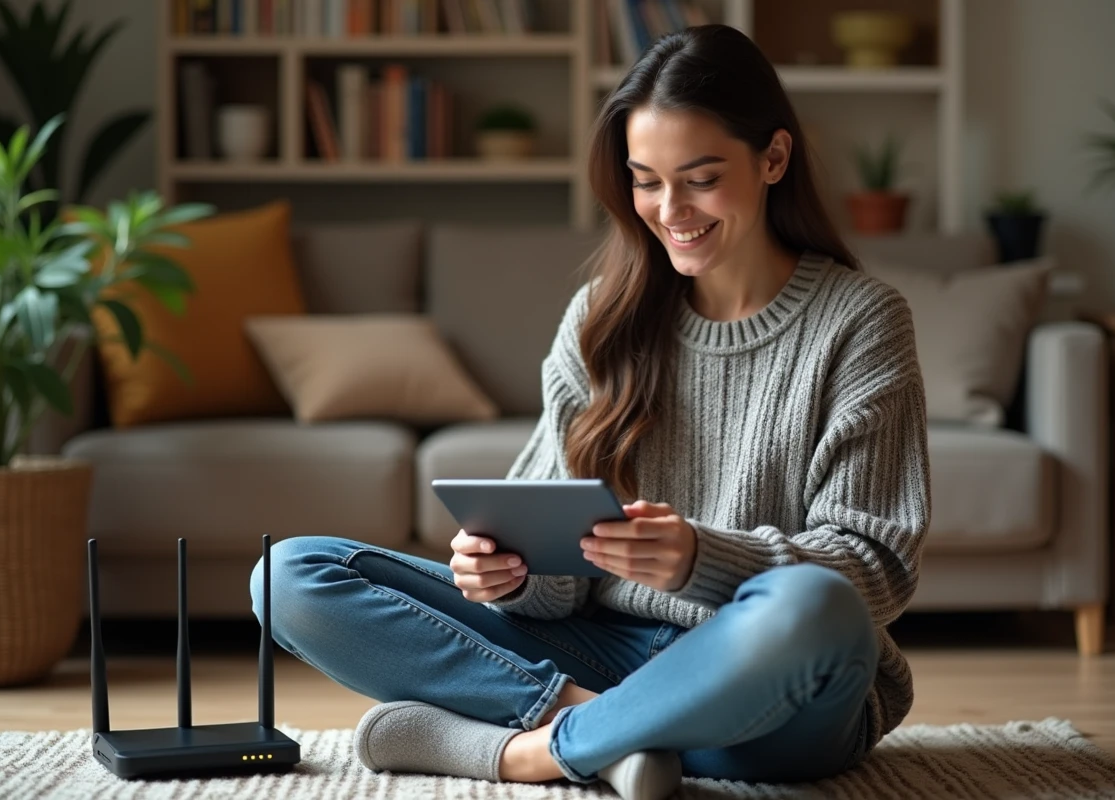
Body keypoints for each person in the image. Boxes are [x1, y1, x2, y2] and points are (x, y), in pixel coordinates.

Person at [251, 23, 930, 800]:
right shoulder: (601, 317)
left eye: (700, 178)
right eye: (646, 180)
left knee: (816, 605)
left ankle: (522, 751)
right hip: (600, 655)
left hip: (769, 684)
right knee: (292, 574)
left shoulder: (861, 319)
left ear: (773, 158)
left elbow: (878, 572)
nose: (670, 209)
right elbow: (557, 583)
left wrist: (697, 560)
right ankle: (607, 731)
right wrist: (505, 575)